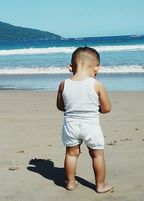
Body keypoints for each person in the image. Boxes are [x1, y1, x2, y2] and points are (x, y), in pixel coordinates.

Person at [56, 46, 113, 193]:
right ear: (97, 68)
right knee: (97, 155)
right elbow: (106, 109)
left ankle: (70, 183)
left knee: (71, 154)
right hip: (91, 126)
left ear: (70, 67)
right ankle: (100, 186)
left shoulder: (64, 84)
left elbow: (60, 106)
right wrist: (97, 109)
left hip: (71, 125)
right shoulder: (96, 84)